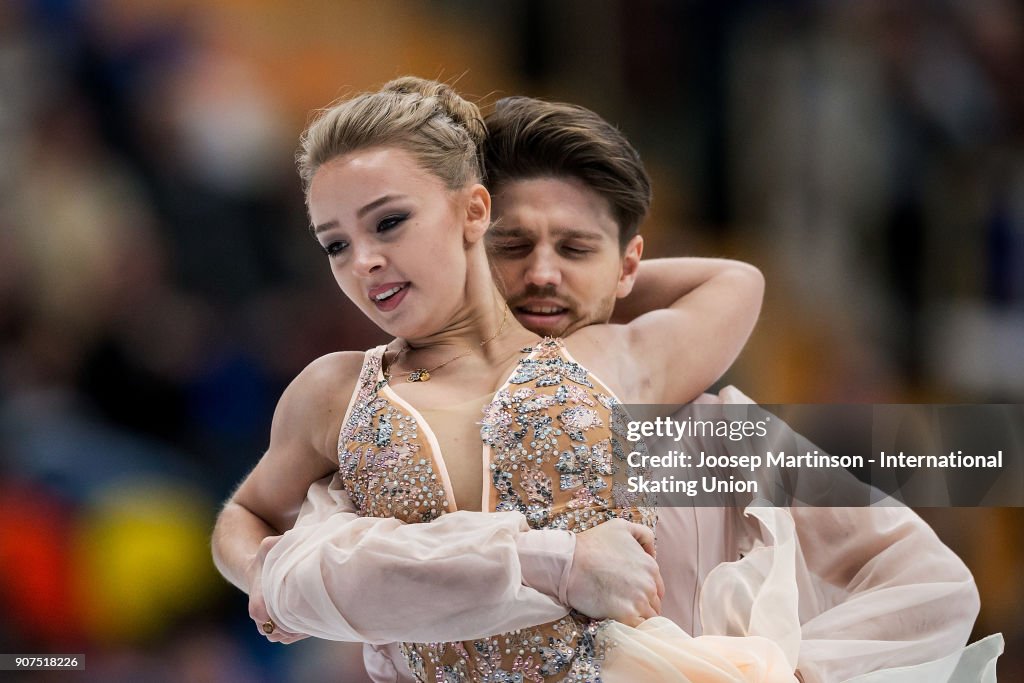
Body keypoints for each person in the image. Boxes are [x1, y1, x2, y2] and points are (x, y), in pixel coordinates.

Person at [213, 85, 997, 682]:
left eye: (578, 249)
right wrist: (268, 579)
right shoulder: (346, 397)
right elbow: (279, 541)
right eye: (513, 246)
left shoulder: (685, 417)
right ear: (474, 227)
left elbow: (927, 580)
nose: (542, 274)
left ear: (627, 265)